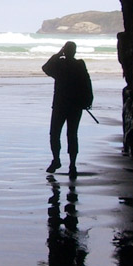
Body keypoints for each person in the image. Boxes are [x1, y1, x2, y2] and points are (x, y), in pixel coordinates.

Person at [41, 40, 93, 175]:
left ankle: (57, 160)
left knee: (55, 134)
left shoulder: (60, 64)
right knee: (72, 134)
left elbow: (46, 67)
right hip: (75, 105)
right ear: (74, 51)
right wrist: (88, 100)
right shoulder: (79, 65)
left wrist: (58, 54)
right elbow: (87, 82)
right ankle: (72, 165)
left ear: (65, 51)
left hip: (60, 105)